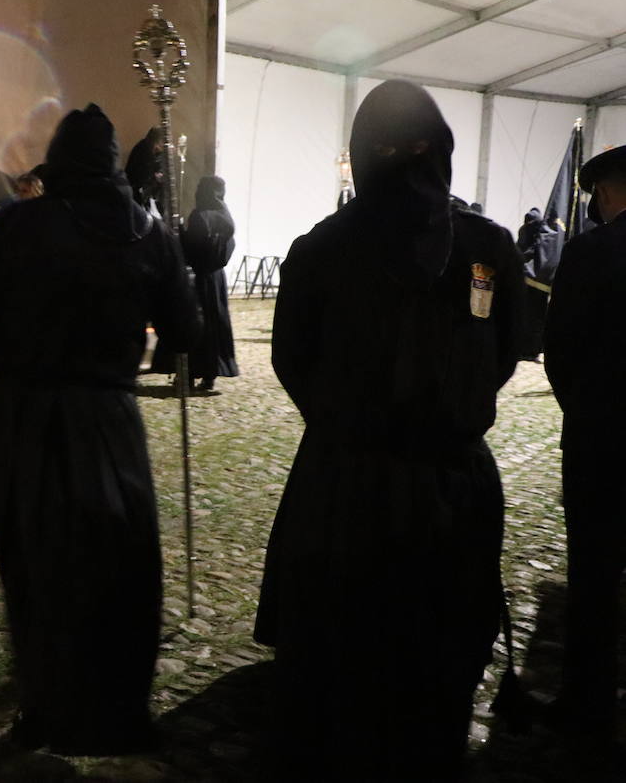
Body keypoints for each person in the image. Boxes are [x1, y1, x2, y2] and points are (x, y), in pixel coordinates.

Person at [255, 80, 523, 782]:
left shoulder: (483, 247)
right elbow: (294, 357)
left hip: (383, 478)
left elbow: (294, 361)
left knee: (411, 647)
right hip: (376, 476)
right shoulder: (326, 249)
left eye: (415, 147)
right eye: (392, 148)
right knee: (366, 648)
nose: (405, 162)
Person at [0, 104, 200, 755]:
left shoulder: (23, 224)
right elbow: (188, 335)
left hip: (27, 416)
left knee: (37, 565)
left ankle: (48, 705)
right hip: (110, 419)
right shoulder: (147, 231)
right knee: (122, 563)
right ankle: (116, 707)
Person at [543, 144, 626, 742]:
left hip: (603, 440)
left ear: (612, 190)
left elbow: (561, 351)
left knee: (594, 579)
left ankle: (586, 705)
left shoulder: (592, 253)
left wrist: (587, 409)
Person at [183, 175, 238, 395]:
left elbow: (193, 248)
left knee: (199, 323)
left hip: (201, 278)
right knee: (214, 322)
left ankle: (191, 372)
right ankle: (210, 374)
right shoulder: (225, 216)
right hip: (217, 278)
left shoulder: (200, 216)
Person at [515, 206, 558, 362]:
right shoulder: (547, 233)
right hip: (542, 280)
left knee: (524, 314)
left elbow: (520, 249)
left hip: (526, 277)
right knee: (538, 317)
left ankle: (522, 348)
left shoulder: (525, 229)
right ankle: (533, 350)